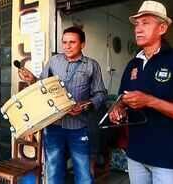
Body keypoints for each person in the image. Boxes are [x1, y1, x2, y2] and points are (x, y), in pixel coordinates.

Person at [109, 0, 173, 184]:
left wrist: (151, 101)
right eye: (137, 24)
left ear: (162, 28)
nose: (138, 29)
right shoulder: (133, 64)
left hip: (168, 160)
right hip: (135, 155)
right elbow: (122, 99)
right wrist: (118, 109)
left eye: (145, 23)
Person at [18, 26, 107, 184]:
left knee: (84, 174)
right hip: (53, 127)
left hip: (79, 127)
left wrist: (85, 105)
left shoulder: (91, 65)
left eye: (72, 42)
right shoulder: (54, 61)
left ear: (82, 44)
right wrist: (32, 79)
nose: (67, 46)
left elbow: (100, 94)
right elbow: (43, 86)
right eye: (64, 42)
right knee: (53, 173)